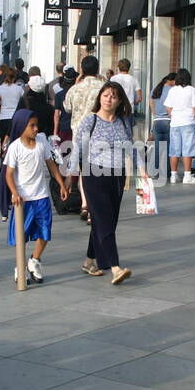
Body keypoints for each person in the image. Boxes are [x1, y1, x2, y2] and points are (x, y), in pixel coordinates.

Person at [76, 82, 138, 283]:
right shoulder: (90, 121)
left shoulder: (123, 122)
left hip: (117, 176)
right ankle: (115, 267)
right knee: (103, 222)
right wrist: (68, 178)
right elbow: (77, 150)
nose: (108, 99)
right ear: (99, 97)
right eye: (105, 95)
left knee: (107, 221)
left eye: (113, 96)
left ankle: (88, 261)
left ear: (119, 100)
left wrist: (142, 169)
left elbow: (130, 147)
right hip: (94, 175)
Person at [5, 110, 70, 284]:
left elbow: (51, 164)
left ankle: (34, 260)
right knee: (21, 235)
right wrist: (14, 192)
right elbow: (9, 174)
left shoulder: (42, 141)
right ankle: (20, 265)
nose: (35, 129)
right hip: (23, 200)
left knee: (45, 232)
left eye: (36, 125)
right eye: (31, 125)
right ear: (21, 127)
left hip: (41, 196)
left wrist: (62, 184)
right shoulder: (15, 147)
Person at [63, 56, 107, 220]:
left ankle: (85, 204)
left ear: (82, 70)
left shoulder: (75, 89)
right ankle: (94, 208)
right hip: (99, 133)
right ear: (97, 69)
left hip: (79, 134)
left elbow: (67, 108)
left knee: (84, 170)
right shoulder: (104, 87)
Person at [164, 68, 195, 184]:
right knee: (188, 149)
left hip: (175, 123)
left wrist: (174, 116)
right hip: (188, 122)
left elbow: (168, 107)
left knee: (174, 150)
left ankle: (173, 175)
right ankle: (187, 176)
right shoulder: (192, 90)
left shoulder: (172, 90)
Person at [149, 72, 175, 175]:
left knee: (157, 148)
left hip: (156, 121)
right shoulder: (172, 90)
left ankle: (155, 172)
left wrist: (155, 113)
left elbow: (151, 103)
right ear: (172, 81)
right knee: (168, 147)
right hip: (168, 121)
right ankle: (166, 172)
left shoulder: (156, 89)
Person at [0, 67, 25, 146]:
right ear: (14, 77)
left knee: (4, 142)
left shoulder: (0, 88)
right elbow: (24, 103)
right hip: (16, 118)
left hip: (3, 117)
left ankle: (4, 157)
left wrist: (3, 108)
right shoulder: (19, 89)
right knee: (16, 143)